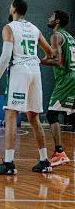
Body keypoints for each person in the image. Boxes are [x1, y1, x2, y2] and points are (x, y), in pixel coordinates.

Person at [0, 0, 54, 175]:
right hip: (35, 72)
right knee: (34, 117)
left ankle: (9, 163)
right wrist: (36, 61)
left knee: (11, 115)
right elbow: (50, 53)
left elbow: (5, 55)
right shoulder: (35, 28)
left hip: (19, 72)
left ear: (14, 9)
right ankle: (44, 160)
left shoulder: (9, 27)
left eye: (10, 4)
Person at [40, 10, 75, 167]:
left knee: (52, 115)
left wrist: (40, 61)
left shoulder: (56, 36)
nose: (49, 17)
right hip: (72, 75)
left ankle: (60, 152)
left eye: (52, 16)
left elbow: (58, 61)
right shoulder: (69, 36)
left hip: (67, 78)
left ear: (58, 21)